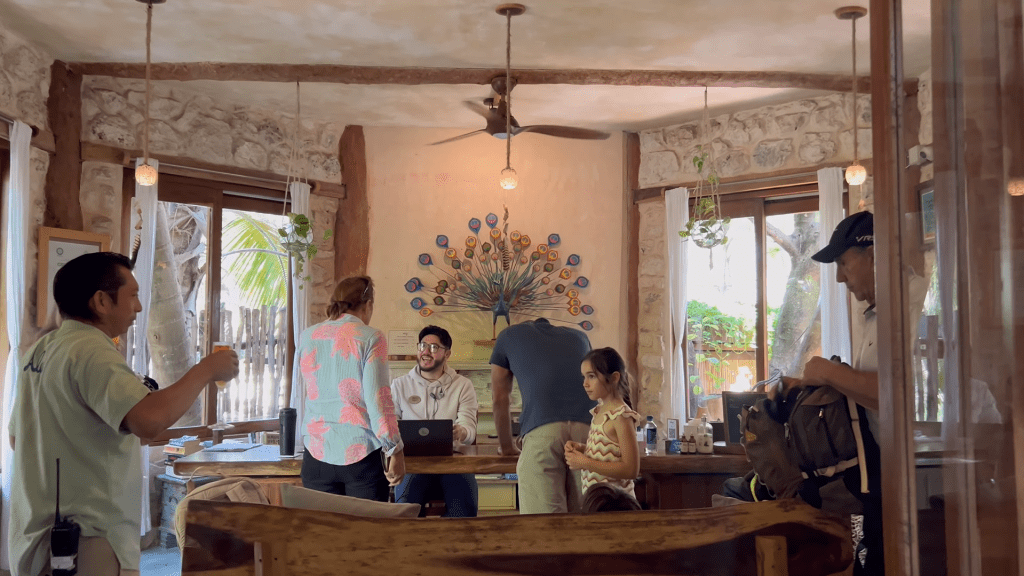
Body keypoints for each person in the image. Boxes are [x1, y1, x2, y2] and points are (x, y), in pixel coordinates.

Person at [8, 252, 239, 576]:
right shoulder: (91, 350)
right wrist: (204, 371)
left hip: (39, 532)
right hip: (86, 540)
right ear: (102, 301)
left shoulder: (41, 350)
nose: (139, 307)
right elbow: (149, 420)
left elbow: (19, 437)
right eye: (132, 295)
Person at [790, 211, 883, 575]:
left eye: (844, 263)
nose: (840, 277)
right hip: (877, 477)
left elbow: (893, 395)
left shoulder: (899, 314)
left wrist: (827, 371)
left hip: (896, 474)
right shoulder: (874, 316)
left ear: (873, 255)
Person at [296, 275, 405, 501]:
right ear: (368, 305)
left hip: (316, 454)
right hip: (361, 457)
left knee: (324, 532)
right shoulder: (371, 337)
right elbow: (379, 400)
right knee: (365, 534)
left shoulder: (307, 336)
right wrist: (395, 449)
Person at [490, 317, 595, 514]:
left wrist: (506, 448)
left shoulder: (507, 336)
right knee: (586, 517)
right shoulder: (580, 336)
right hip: (589, 431)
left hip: (543, 430)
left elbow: (499, 398)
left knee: (544, 524)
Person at [390, 325, 480, 516]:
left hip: (453, 462)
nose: (426, 352)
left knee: (464, 512)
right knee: (404, 510)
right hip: (413, 463)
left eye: (434, 348)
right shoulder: (399, 385)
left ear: (447, 354)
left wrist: (461, 431)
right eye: (422, 346)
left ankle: (456, 545)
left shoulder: (463, 385)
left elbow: (469, 427)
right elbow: (391, 426)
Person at [564, 347, 642, 499]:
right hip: (597, 503)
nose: (585, 384)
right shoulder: (600, 411)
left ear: (614, 378)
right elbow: (610, 452)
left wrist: (585, 462)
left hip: (616, 505)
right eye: (584, 377)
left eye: (591, 376)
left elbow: (630, 469)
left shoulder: (620, 416)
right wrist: (583, 449)